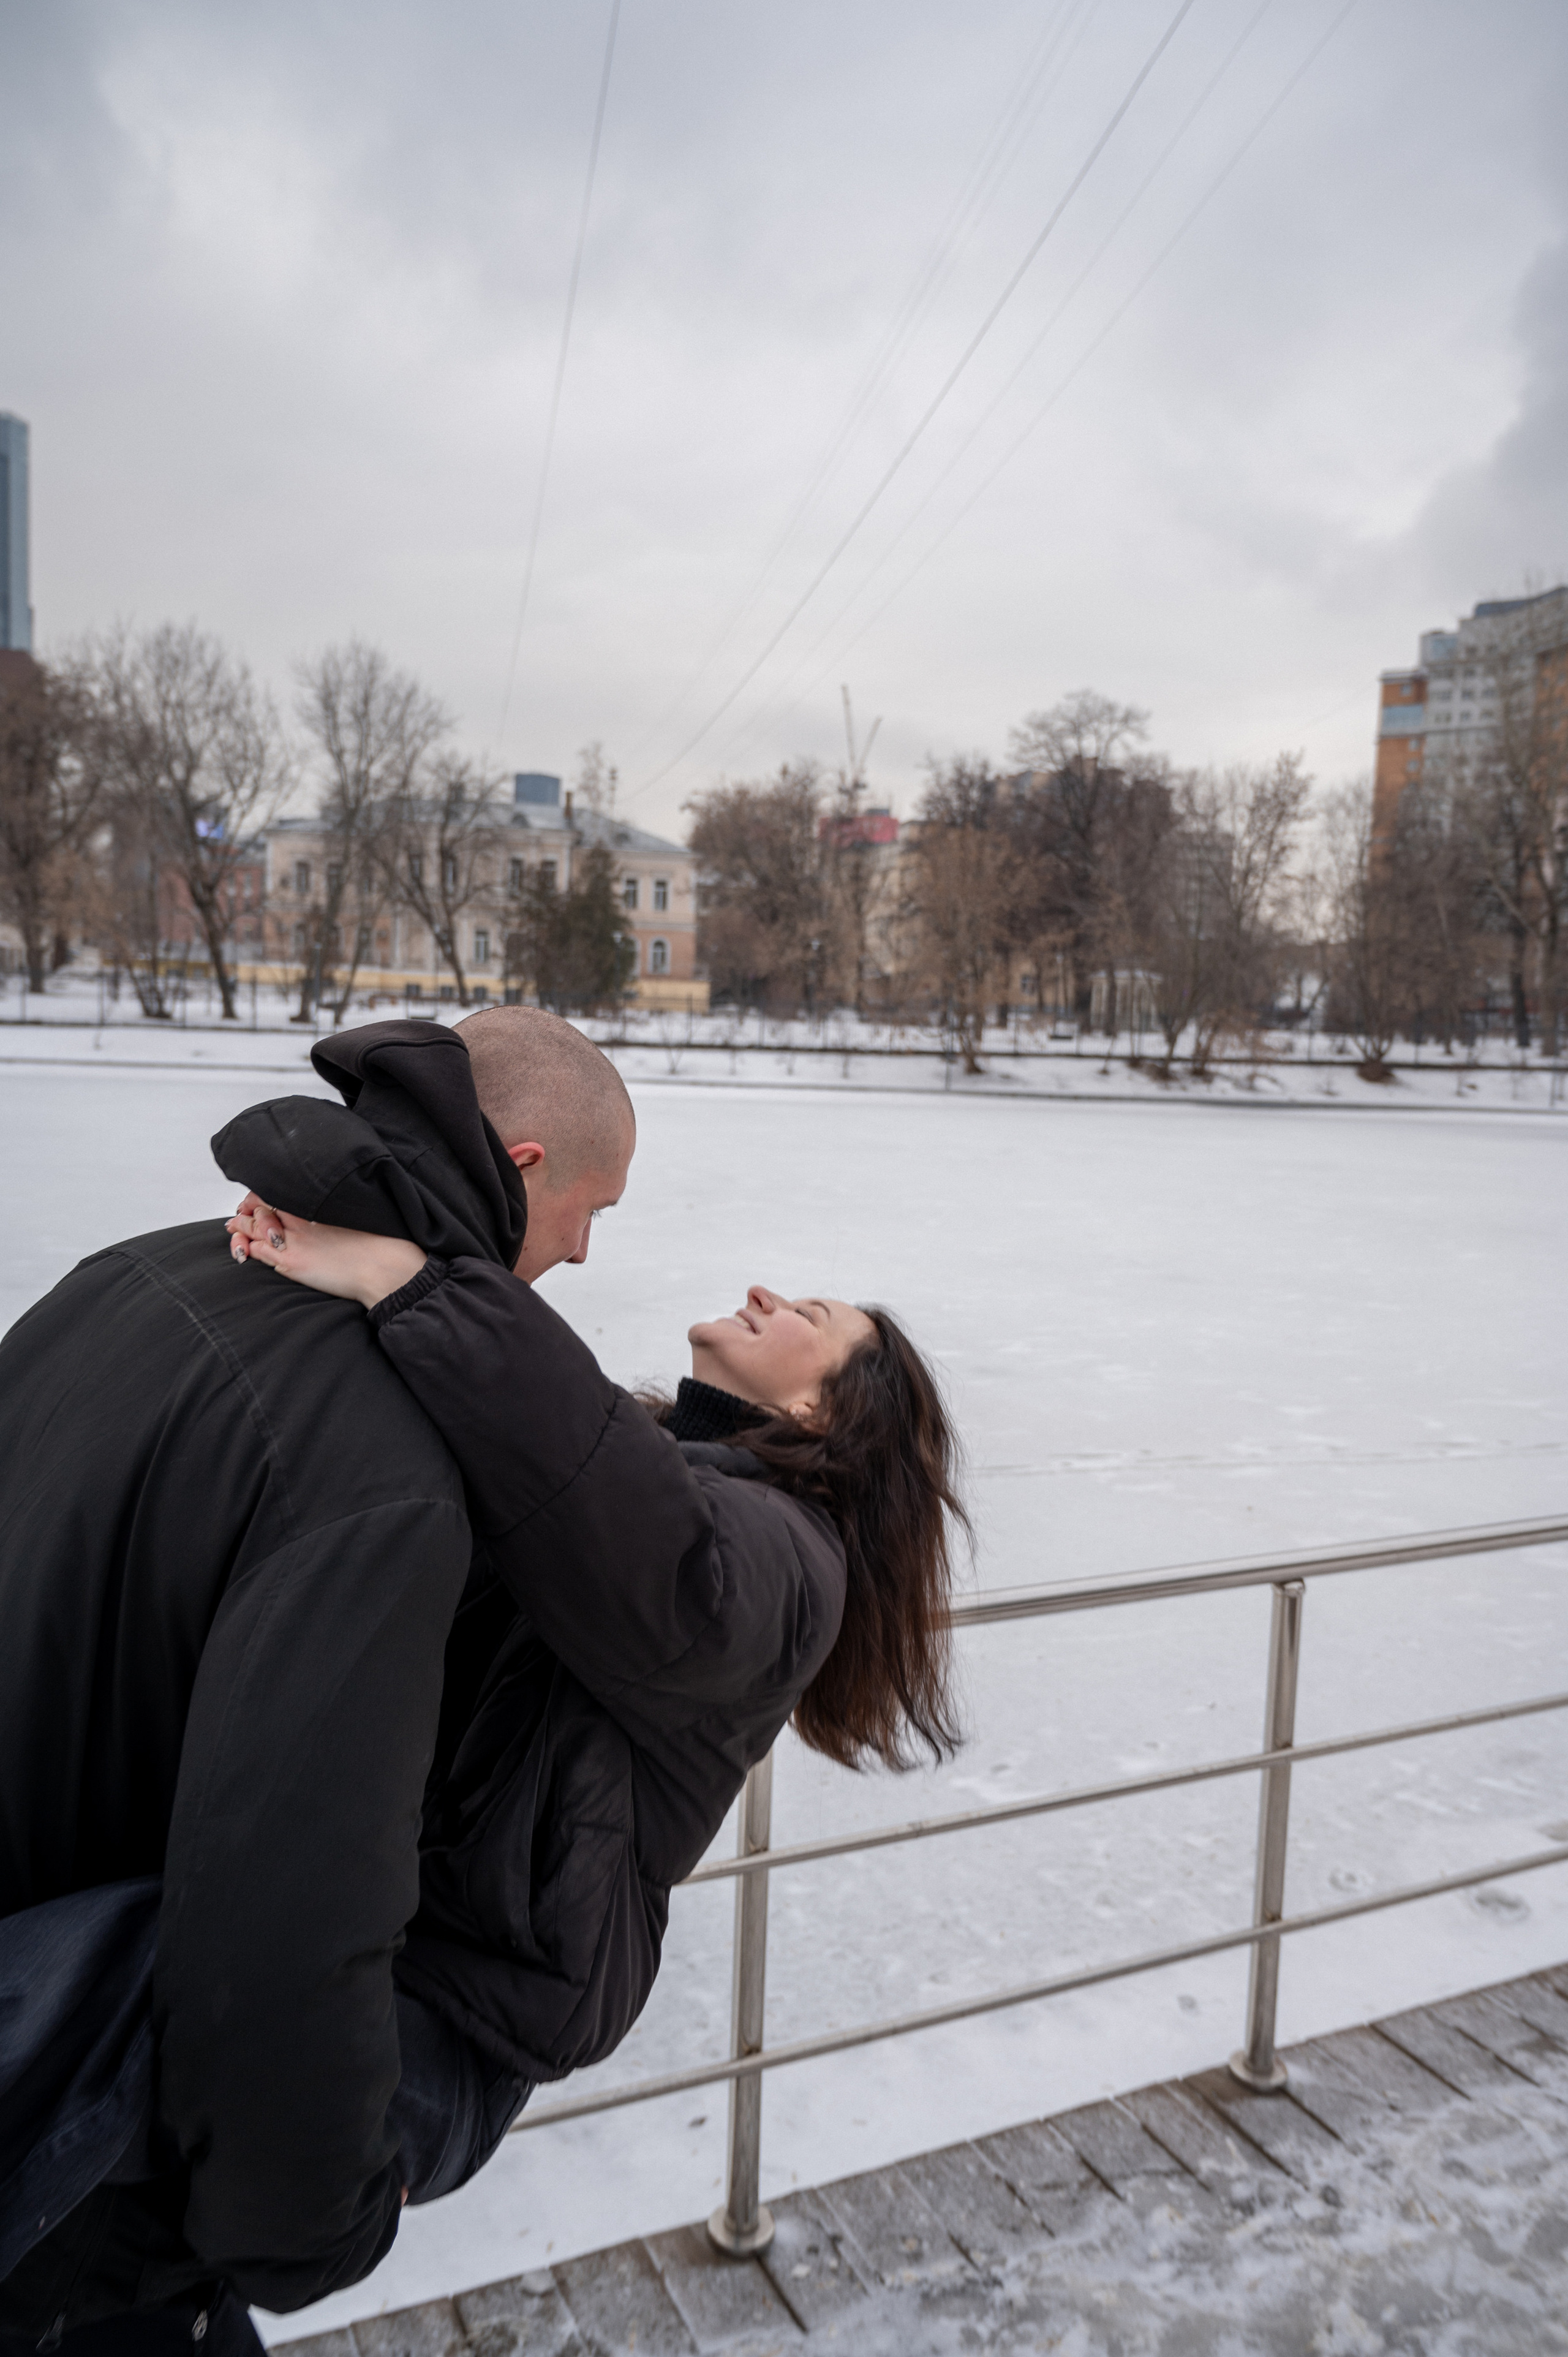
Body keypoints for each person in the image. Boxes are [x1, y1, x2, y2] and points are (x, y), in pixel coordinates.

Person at [0, 1013, 634, 2350]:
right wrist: (306, 2222)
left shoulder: (140, 1269)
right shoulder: (384, 1464)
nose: (583, 1251)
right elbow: (289, 1885)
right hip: (76, 2160)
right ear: (523, 1162)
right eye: (589, 1210)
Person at [212, 1195, 965, 2155]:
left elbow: (622, 1523)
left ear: (821, 1409)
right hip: (362, 1929)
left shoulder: (790, 1559)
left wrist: (406, 1285)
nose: (763, 1294)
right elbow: (561, 1459)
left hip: (443, 2017)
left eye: (806, 1317)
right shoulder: (657, 1459)